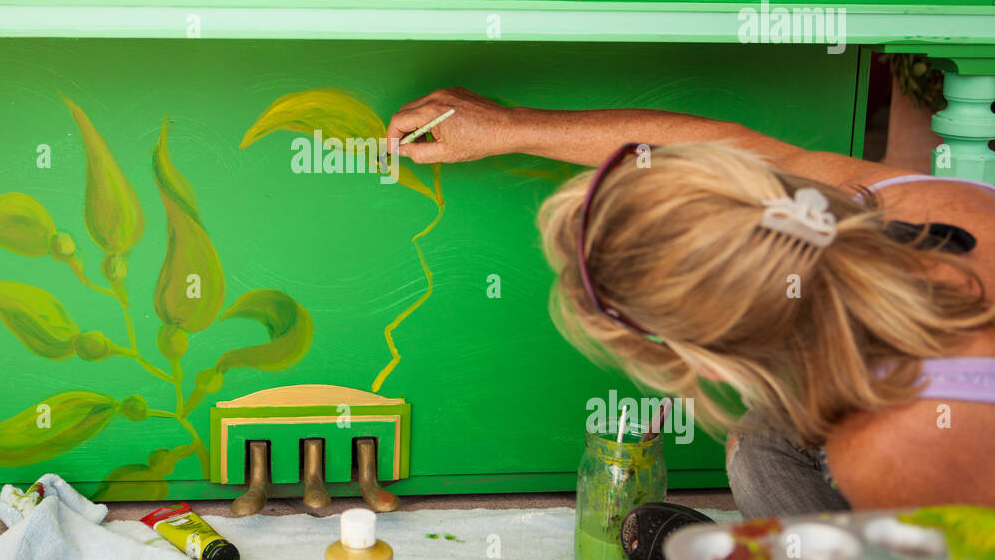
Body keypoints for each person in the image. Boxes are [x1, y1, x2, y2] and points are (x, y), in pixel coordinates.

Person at [386, 88, 995, 520]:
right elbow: (725, 145)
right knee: (763, 445)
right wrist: (510, 128)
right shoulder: (879, 201)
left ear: (704, 362)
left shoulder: (894, 450)